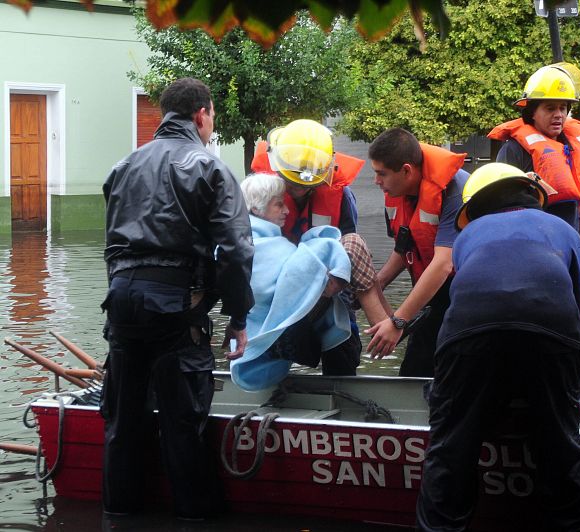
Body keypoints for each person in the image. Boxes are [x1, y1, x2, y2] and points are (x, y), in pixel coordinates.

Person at [101, 78, 254, 519]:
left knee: (122, 422)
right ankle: (194, 519)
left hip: (122, 303)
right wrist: (237, 317)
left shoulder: (123, 166)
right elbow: (237, 251)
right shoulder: (209, 167)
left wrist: (122, 294)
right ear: (201, 114)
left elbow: (112, 246)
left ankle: (118, 517)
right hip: (176, 306)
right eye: (213, 117)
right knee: (183, 424)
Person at [416, 162, 580, 531]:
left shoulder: (467, 237)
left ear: (475, 208)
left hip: (469, 336)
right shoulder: (563, 230)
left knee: (449, 449)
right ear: (531, 196)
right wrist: (576, 390)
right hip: (551, 333)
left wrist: (445, 396)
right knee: (561, 449)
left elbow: (463, 310)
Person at [255, 119, 394, 366]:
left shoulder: (340, 195)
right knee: (265, 351)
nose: (298, 188)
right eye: (292, 183)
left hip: (328, 284)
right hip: (278, 290)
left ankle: (381, 331)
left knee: (343, 349)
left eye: (305, 184)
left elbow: (347, 252)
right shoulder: (259, 192)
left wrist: (335, 283)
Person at [231, 172, 356, 390]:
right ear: (257, 209)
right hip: (276, 338)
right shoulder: (261, 247)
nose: (287, 210)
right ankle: (387, 328)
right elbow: (272, 285)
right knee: (354, 245)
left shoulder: (234, 240)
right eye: (279, 204)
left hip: (259, 337)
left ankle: (386, 328)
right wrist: (322, 248)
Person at [489, 62, 580, 288]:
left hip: (568, 249)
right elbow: (500, 213)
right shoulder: (514, 151)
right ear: (532, 112)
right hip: (530, 255)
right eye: (550, 108)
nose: (558, 115)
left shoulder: (570, 146)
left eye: (563, 108)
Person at [366, 127, 470, 377]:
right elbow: (405, 247)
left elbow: (444, 263)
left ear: (406, 171)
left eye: (382, 174)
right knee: (414, 369)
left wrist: (398, 320)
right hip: (432, 288)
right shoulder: (398, 192)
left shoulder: (454, 190)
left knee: (454, 368)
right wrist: (376, 284)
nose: (376, 181)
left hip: (466, 294)